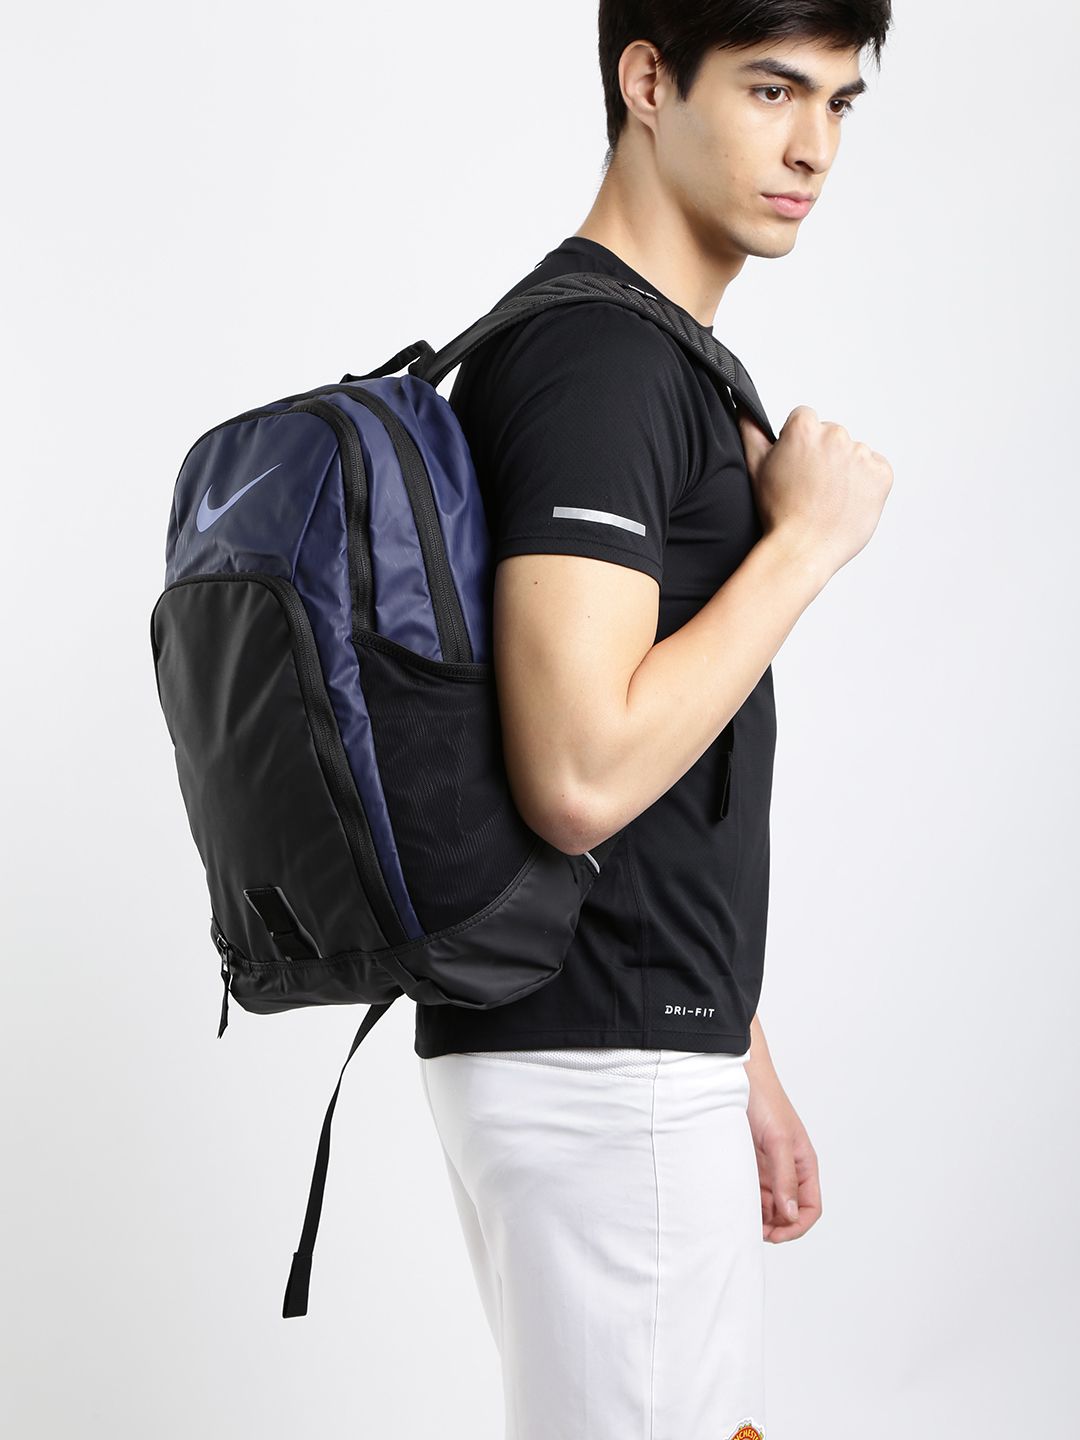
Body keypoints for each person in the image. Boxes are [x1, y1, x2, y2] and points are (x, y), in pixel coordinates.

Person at [416, 4, 894, 1435]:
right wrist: (805, 546)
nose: (812, 147)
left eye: (839, 102)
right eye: (771, 90)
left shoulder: (639, 353)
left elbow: (660, 783)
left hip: (625, 1051)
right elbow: (577, 773)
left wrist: (738, 1055)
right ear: (646, 80)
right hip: (604, 1076)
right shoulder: (599, 365)